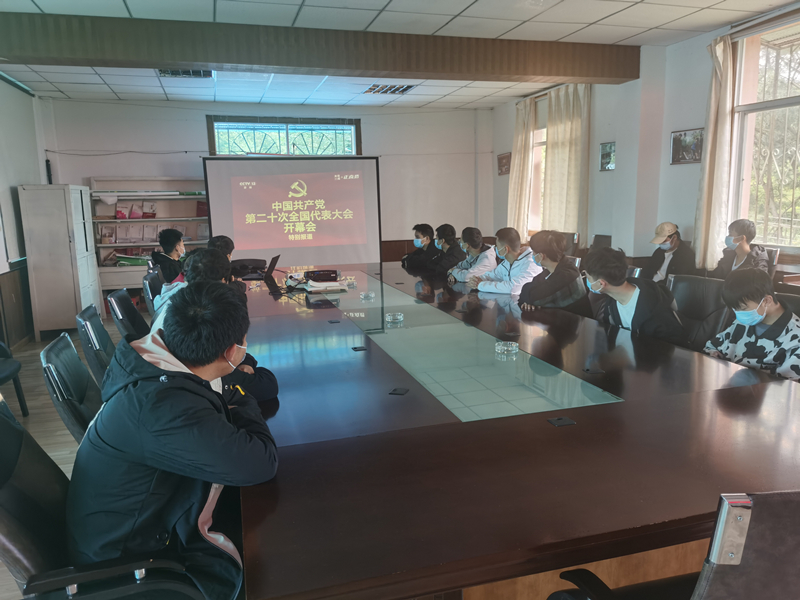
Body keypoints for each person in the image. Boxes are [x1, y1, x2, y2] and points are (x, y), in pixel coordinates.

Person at [66, 282, 279, 600]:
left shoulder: (154, 364)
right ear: (231, 351)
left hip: (138, 530)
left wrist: (229, 389)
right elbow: (260, 463)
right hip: (133, 570)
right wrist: (244, 397)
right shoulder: (162, 407)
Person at [152, 249, 278, 402]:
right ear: (224, 280)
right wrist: (245, 362)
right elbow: (265, 387)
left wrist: (246, 362)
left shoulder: (179, 299)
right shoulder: (205, 315)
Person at [705, 268, 800, 380]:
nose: (738, 314)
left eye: (743, 309)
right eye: (735, 309)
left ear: (766, 301)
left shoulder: (795, 339)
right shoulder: (744, 321)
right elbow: (712, 346)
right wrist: (713, 354)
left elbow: (786, 385)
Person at [583, 247, 687, 346]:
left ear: (601, 283)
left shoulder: (655, 311)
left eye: (588, 277)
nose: (586, 280)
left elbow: (674, 350)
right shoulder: (612, 301)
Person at [518, 230, 591, 317]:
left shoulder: (567, 275)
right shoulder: (553, 269)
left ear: (541, 256)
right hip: (558, 319)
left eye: (533, 252)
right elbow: (527, 295)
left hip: (575, 323)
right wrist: (529, 301)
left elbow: (532, 297)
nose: (532, 255)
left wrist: (531, 300)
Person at [467, 227, 540, 294]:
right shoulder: (508, 262)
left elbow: (513, 288)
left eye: (497, 246)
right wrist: (477, 279)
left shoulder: (531, 263)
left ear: (505, 249)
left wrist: (481, 285)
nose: (495, 248)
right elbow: (493, 275)